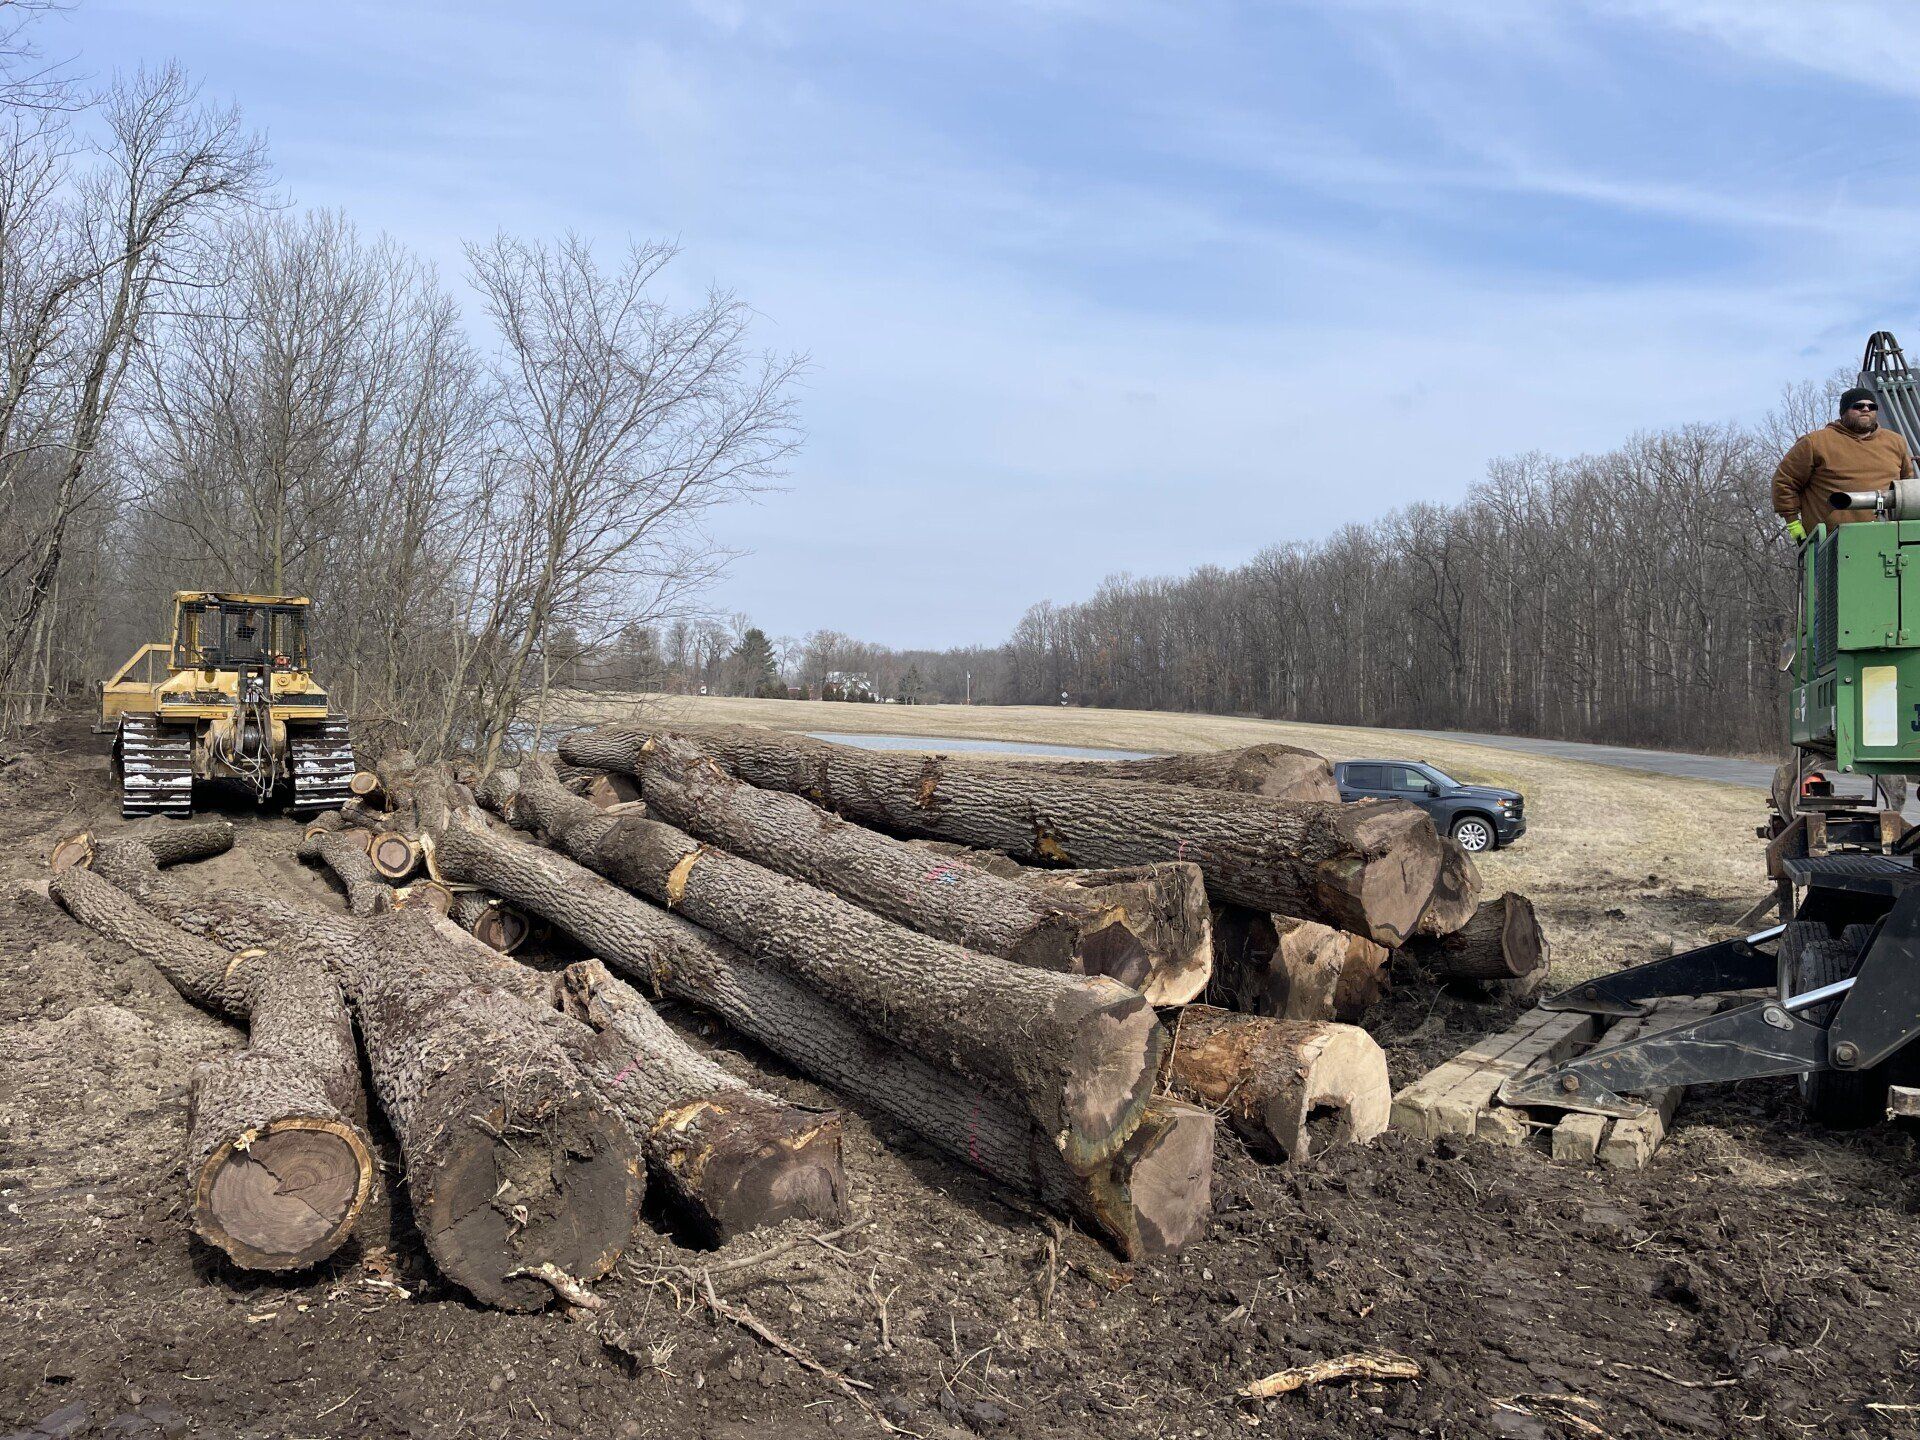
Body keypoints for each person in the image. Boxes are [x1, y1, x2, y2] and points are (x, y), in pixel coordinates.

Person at [1772, 387, 1916, 540]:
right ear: (1844, 411)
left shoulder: (1895, 442)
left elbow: (1907, 489)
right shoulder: (1815, 443)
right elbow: (1784, 481)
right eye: (1858, 406)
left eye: (1872, 406)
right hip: (1832, 544)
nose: (1866, 409)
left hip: (1888, 540)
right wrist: (1793, 523)